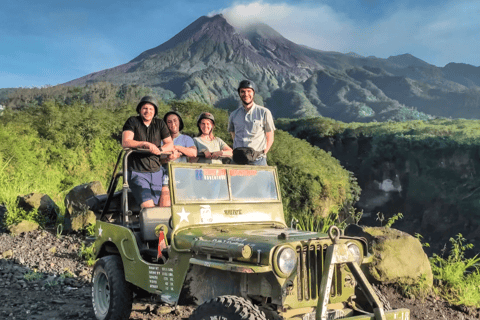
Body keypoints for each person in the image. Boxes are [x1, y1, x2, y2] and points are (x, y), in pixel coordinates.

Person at [122, 96, 174, 208]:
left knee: (164, 205)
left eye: (151, 109)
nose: (148, 111)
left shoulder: (160, 124)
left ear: (155, 111)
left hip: (156, 171)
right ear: (140, 109)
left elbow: (170, 144)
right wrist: (144, 144)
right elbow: (126, 142)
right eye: (145, 108)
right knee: (148, 206)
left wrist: (160, 150)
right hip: (138, 171)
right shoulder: (133, 121)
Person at [228, 79, 275, 166]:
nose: (246, 94)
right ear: (239, 94)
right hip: (237, 160)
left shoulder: (264, 112)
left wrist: (264, 153)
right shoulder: (233, 115)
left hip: (258, 160)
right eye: (242, 91)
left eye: (249, 91)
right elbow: (233, 135)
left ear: (253, 93)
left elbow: (270, 136)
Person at [158, 111, 197, 206]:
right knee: (165, 205)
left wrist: (176, 147)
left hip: (182, 176)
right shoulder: (161, 140)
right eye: (169, 122)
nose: (173, 124)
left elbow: (193, 153)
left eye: (175, 120)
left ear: (179, 121)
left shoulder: (186, 139)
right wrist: (168, 158)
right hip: (165, 176)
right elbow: (158, 158)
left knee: (182, 207)